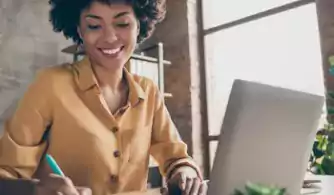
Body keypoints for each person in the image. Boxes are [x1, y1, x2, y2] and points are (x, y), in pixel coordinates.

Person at [0, 0, 207, 195]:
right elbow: (4, 178)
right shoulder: (50, 85)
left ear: (139, 25)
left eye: (123, 23)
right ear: (80, 30)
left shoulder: (149, 90)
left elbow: (176, 157)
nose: (109, 37)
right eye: (94, 26)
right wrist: (37, 190)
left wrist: (184, 173)